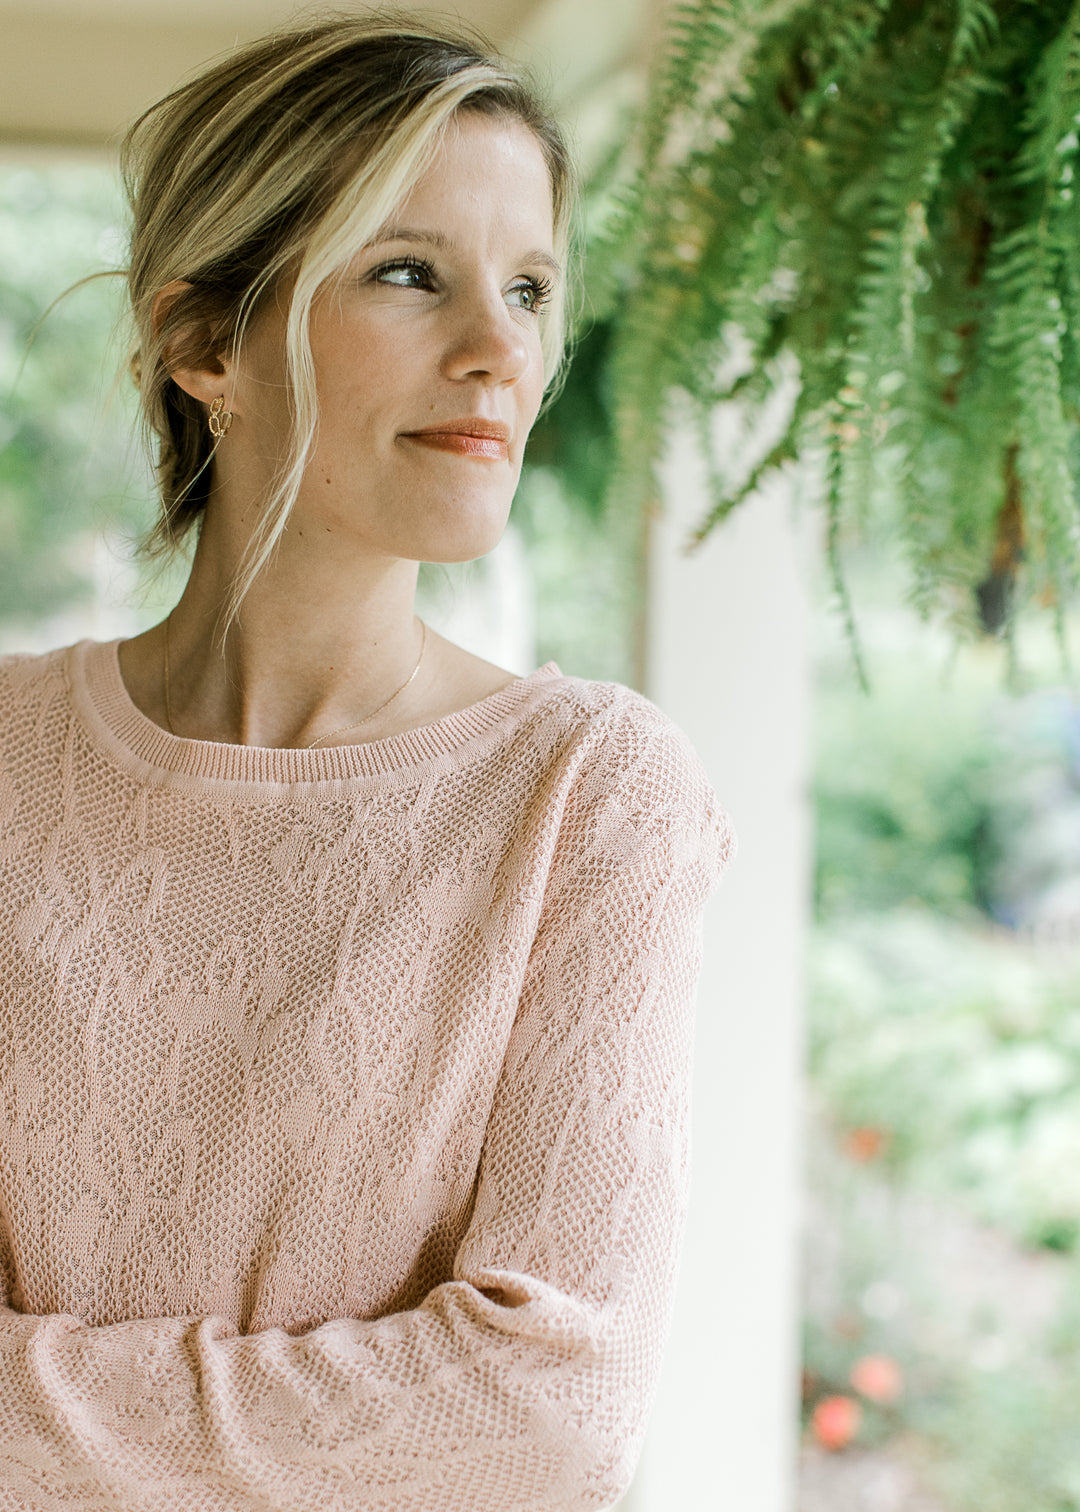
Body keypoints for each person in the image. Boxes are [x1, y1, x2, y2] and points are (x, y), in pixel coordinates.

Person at [0, 12, 734, 1510]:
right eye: (411, 272)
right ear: (205, 340)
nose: (500, 351)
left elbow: (550, 1412)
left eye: (529, 288)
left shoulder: (591, 795)